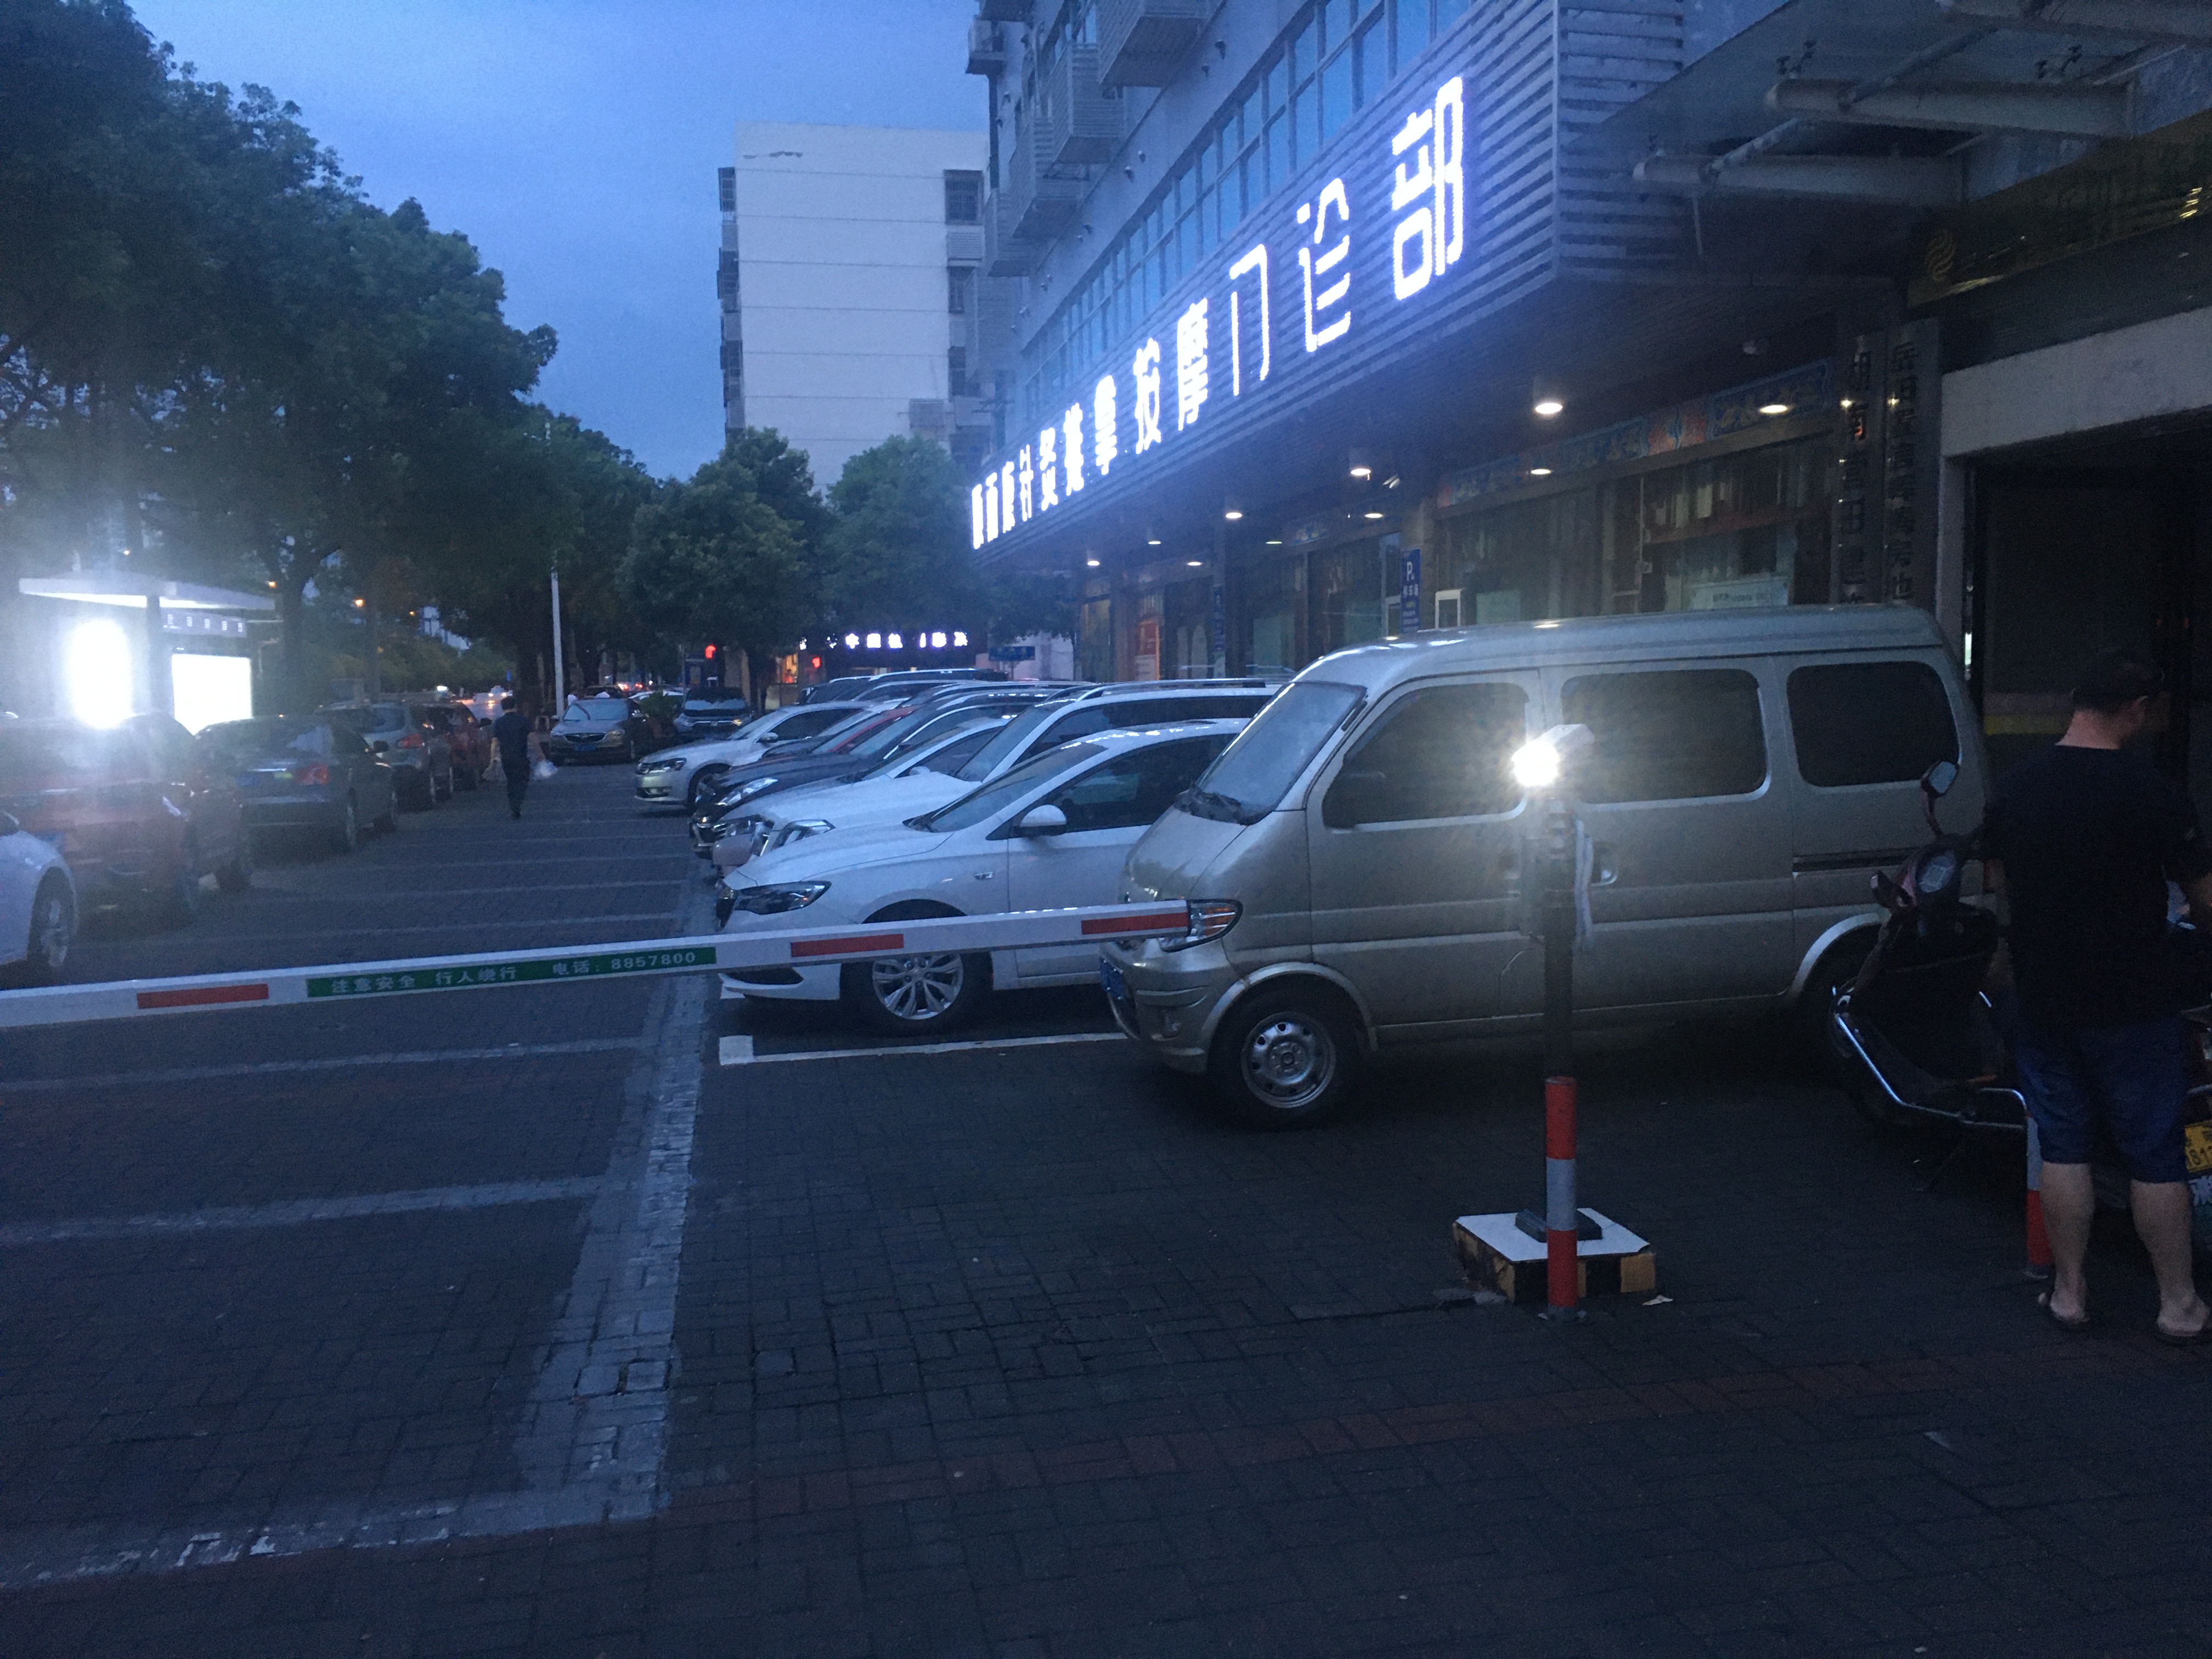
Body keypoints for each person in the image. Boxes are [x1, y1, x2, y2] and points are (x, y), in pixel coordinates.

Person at [1984, 649, 2212, 1342]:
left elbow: (1998, 885)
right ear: (2136, 710)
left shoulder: (2016, 788)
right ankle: (2178, 1304)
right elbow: (2205, 898)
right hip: (2135, 1001)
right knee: (2154, 1153)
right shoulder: (2152, 792)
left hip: (2047, 996)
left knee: (2063, 1146)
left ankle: (2069, 1292)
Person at [491, 696, 534, 820]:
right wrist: (540, 754)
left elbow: (495, 742)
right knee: (522, 780)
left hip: (506, 757)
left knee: (511, 781)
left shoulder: (499, 723)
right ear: (515, 706)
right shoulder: (523, 720)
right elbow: (532, 737)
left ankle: (513, 805)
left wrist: (493, 758)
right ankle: (518, 802)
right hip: (521, 755)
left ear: (502, 708)